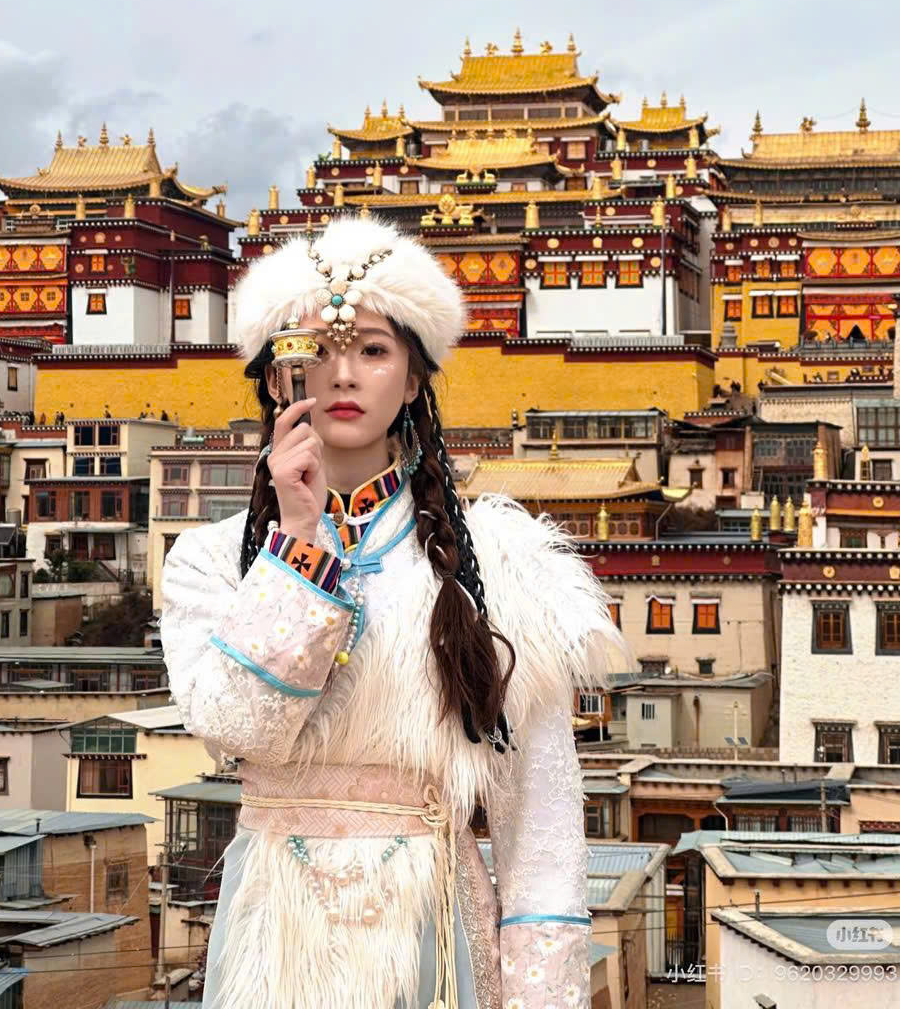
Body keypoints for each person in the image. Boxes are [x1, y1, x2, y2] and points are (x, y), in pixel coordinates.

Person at [160, 218, 622, 1009]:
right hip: (275, 929)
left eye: (373, 350)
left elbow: (538, 819)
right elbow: (239, 729)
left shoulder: (500, 564)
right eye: (315, 351)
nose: (343, 374)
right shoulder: (210, 561)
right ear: (275, 378)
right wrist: (297, 547)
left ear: (413, 380)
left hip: (434, 930)